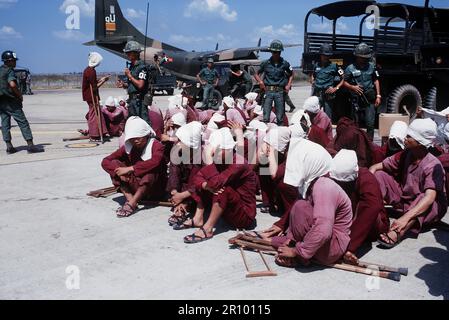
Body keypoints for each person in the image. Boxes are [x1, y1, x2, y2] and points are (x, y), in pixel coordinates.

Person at [271, 139, 353, 267]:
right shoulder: (312, 183)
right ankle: (304, 252)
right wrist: (291, 240)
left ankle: (303, 257)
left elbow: (323, 229)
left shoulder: (324, 186)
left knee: (300, 207)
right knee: (276, 241)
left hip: (332, 247)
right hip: (324, 242)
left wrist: (296, 251)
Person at [370, 119, 447, 248]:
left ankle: (398, 231)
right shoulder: (406, 154)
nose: (405, 139)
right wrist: (370, 185)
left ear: (420, 142)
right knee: (379, 175)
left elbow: (429, 198)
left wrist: (404, 219)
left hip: (428, 207)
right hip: (406, 199)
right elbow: (377, 167)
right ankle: (376, 215)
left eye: (409, 137)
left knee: (425, 198)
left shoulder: (432, 165)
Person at [184, 128, 257, 243]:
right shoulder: (221, 160)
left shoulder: (239, 163)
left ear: (228, 149)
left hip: (244, 216)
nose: (213, 154)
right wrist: (205, 186)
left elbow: (215, 183)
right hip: (229, 210)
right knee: (204, 184)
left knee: (221, 189)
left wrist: (208, 161)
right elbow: (198, 177)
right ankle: (198, 217)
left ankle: (208, 229)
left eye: (217, 150)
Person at [330, 150, 389, 265]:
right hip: (345, 218)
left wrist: (349, 247)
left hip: (370, 224)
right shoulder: (331, 173)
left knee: (366, 208)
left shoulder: (366, 178)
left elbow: (370, 209)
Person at [101, 117, 167, 218]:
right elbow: (105, 161)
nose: (135, 141)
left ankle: (132, 203)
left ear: (146, 135)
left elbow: (155, 162)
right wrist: (119, 173)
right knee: (114, 164)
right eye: (132, 139)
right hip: (135, 184)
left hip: (154, 189)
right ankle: (130, 198)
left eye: (138, 138)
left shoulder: (156, 145)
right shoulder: (129, 147)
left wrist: (130, 169)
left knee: (151, 172)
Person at [0, 50, 42, 154]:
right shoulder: (9, 71)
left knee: (5, 124)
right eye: (13, 60)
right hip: (11, 102)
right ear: (8, 61)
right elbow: (13, 85)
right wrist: (19, 95)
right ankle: (31, 146)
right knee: (23, 122)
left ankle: (9, 147)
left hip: (1, 102)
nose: (14, 62)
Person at [167, 121, 204, 228]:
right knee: (174, 183)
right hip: (183, 187)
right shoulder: (177, 151)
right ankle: (180, 205)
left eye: (180, 141)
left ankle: (184, 206)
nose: (177, 143)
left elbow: (198, 182)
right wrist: (175, 192)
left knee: (200, 188)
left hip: (195, 189)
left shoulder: (202, 156)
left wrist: (182, 196)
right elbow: (174, 172)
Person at [342, 43, 382, 141]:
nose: (363, 59)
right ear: (357, 56)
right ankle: (357, 143)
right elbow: (343, 82)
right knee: (355, 124)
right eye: (361, 57)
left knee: (370, 123)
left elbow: (376, 80)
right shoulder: (350, 68)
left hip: (369, 98)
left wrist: (378, 95)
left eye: (365, 57)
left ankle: (369, 144)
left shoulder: (372, 67)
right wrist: (353, 87)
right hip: (356, 98)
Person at [254, 40, 293, 125]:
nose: (276, 54)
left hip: (279, 92)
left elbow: (291, 74)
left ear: (280, 52)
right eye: (274, 52)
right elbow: (256, 74)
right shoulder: (266, 63)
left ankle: (279, 132)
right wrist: (260, 82)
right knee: (266, 115)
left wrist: (288, 84)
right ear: (271, 52)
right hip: (268, 92)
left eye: (278, 52)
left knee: (280, 116)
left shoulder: (285, 63)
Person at [117, 41, 150, 124]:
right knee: (132, 123)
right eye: (127, 53)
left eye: (129, 53)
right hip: (132, 101)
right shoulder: (132, 67)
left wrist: (129, 76)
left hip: (139, 102)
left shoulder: (142, 67)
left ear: (135, 53)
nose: (127, 55)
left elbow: (140, 85)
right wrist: (124, 85)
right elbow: (132, 85)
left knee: (144, 123)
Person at [310, 44, 344, 121]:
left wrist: (336, 88)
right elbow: (313, 75)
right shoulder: (316, 65)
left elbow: (343, 77)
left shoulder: (334, 66)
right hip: (317, 94)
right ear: (321, 55)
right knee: (314, 115)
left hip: (328, 94)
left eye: (327, 55)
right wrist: (312, 80)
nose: (326, 57)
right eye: (324, 55)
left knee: (327, 118)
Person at [82, 52, 109, 141]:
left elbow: (93, 81)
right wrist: (104, 81)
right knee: (94, 114)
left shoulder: (88, 69)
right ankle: (94, 134)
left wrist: (101, 79)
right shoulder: (91, 71)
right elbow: (94, 87)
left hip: (90, 94)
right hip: (91, 95)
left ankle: (102, 132)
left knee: (98, 112)